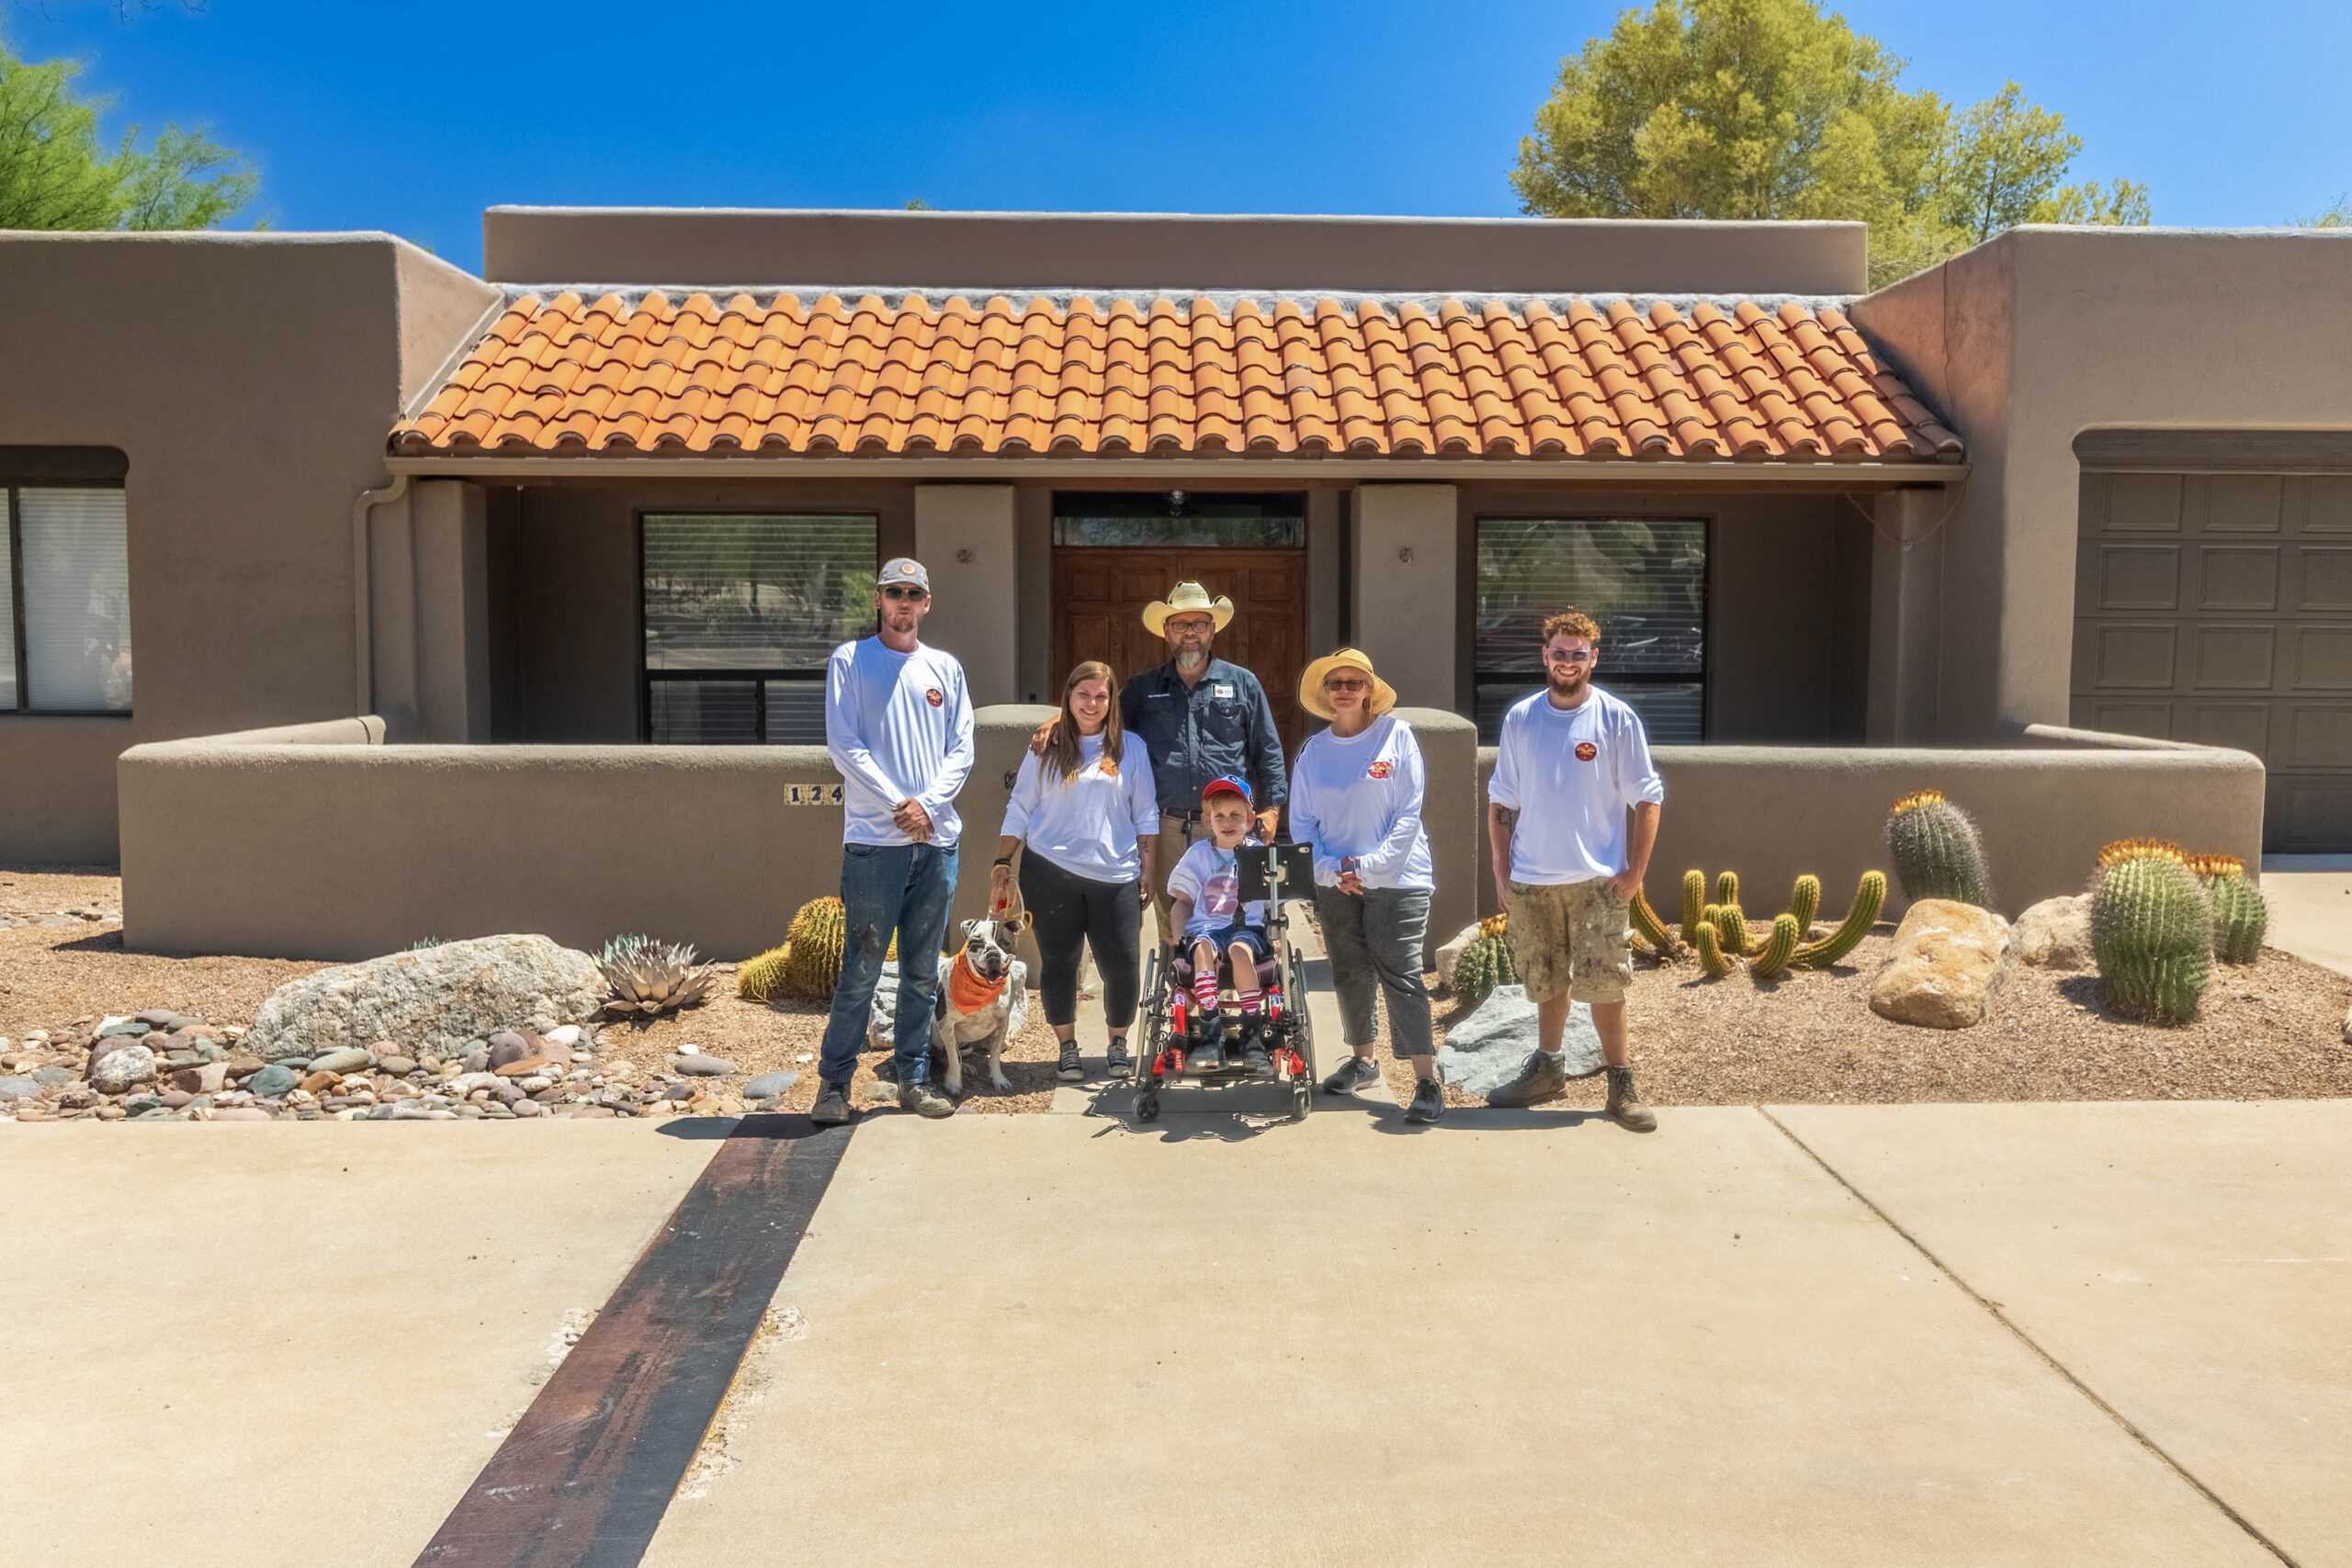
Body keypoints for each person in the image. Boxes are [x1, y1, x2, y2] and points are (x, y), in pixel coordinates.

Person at [1483, 609, 1664, 1132]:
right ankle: (1547, 1069)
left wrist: (1635, 870)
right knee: (1545, 979)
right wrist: (1501, 868)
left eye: (1577, 653)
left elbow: (1647, 798)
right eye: (1558, 653)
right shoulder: (1521, 718)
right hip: (1534, 881)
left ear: (1593, 658)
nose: (1567, 662)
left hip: (1597, 881)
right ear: (1545, 656)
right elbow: (1501, 800)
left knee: (1606, 983)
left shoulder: (1616, 718)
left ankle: (1620, 1082)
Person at [810, 557, 975, 1125]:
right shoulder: (851, 661)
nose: (903, 601)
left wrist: (926, 806)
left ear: (927, 603)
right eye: (893, 592)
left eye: (914, 593)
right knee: (860, 968)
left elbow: (962, 749)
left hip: (936, 844)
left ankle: (912, 1079)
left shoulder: (946, 669)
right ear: (878, 600)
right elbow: (844, 745)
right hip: (874, 846)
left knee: (922, 971)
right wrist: (898, 806)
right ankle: (833, 1087)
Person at [1035, 581, 1285, 937]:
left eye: (1199, 624)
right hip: (1167, 827)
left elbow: (1268, 749)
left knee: (1237, 914)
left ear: (1213, 630)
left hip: (1228, 821)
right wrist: (1058, 719)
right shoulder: (1143, 688)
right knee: (1175, 923)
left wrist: (1272, 809)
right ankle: (1180, 992)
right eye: (1180, 625)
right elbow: (1100, 716)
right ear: (1166, 632)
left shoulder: (1243, 683)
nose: (1190, 634)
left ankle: (1234, 990)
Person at [1286, 649, 1442, 1125]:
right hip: (1336, 880)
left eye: (1355, 682)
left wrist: (1368, 868)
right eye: (1336, 683)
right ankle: (1363, 1061)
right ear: (1326, 693)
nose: (1346, 690)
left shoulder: (1397, 735)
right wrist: (1335, 871)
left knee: (1400, 973)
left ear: (1370, 689)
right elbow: (1303, 825)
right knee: (1350, 971)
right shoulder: (1314, 751)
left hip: (1397, 877)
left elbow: (1407, 815)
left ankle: (1426, 1080)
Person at [990, 660, 1159, 1085]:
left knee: (1122, 966)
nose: (1092, 703)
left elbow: (1146, 813)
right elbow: (1021, 806)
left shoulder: (1131, 748)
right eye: (1083, 694)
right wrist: (1002, 860)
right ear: (1068, 696)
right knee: (1060, 962)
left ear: (1111, 700)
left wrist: (1148, 868)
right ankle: (1067, 1048)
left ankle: (1118, 1044)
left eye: (1101, 696)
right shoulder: (1044, 748)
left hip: (1116, 874)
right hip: (1050, 871)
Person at [1164, 774, 1274, 1076]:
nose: (1227, 821)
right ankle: (1210, 1033)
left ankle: (1251, 1034)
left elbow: (1274, 905)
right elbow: (1183, 901)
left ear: (1250, 819)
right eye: (1220, 815)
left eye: (1236, 815)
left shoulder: (1260, 855)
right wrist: (1178, 935)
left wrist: (1277, 939)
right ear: (1207, 820)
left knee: (1240, 949)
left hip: (1246, 928)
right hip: (1206, 928)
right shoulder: (1198, 854)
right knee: (1201, 950)